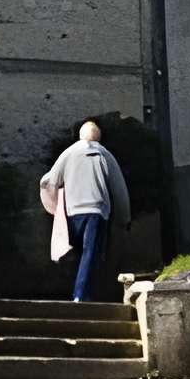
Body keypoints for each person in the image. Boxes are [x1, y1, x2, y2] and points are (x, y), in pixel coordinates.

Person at [39, 120, 130, 302]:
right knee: (91, 253)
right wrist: (124, 217)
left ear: (80, 135)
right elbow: (119, 188)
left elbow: (49, 181)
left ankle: (81, 292)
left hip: (73, 212)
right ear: (99, 137)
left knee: (81, 253)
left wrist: (53, 206)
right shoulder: (104, 154)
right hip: (97, 211)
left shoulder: (69, 153)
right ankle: (81, 294)